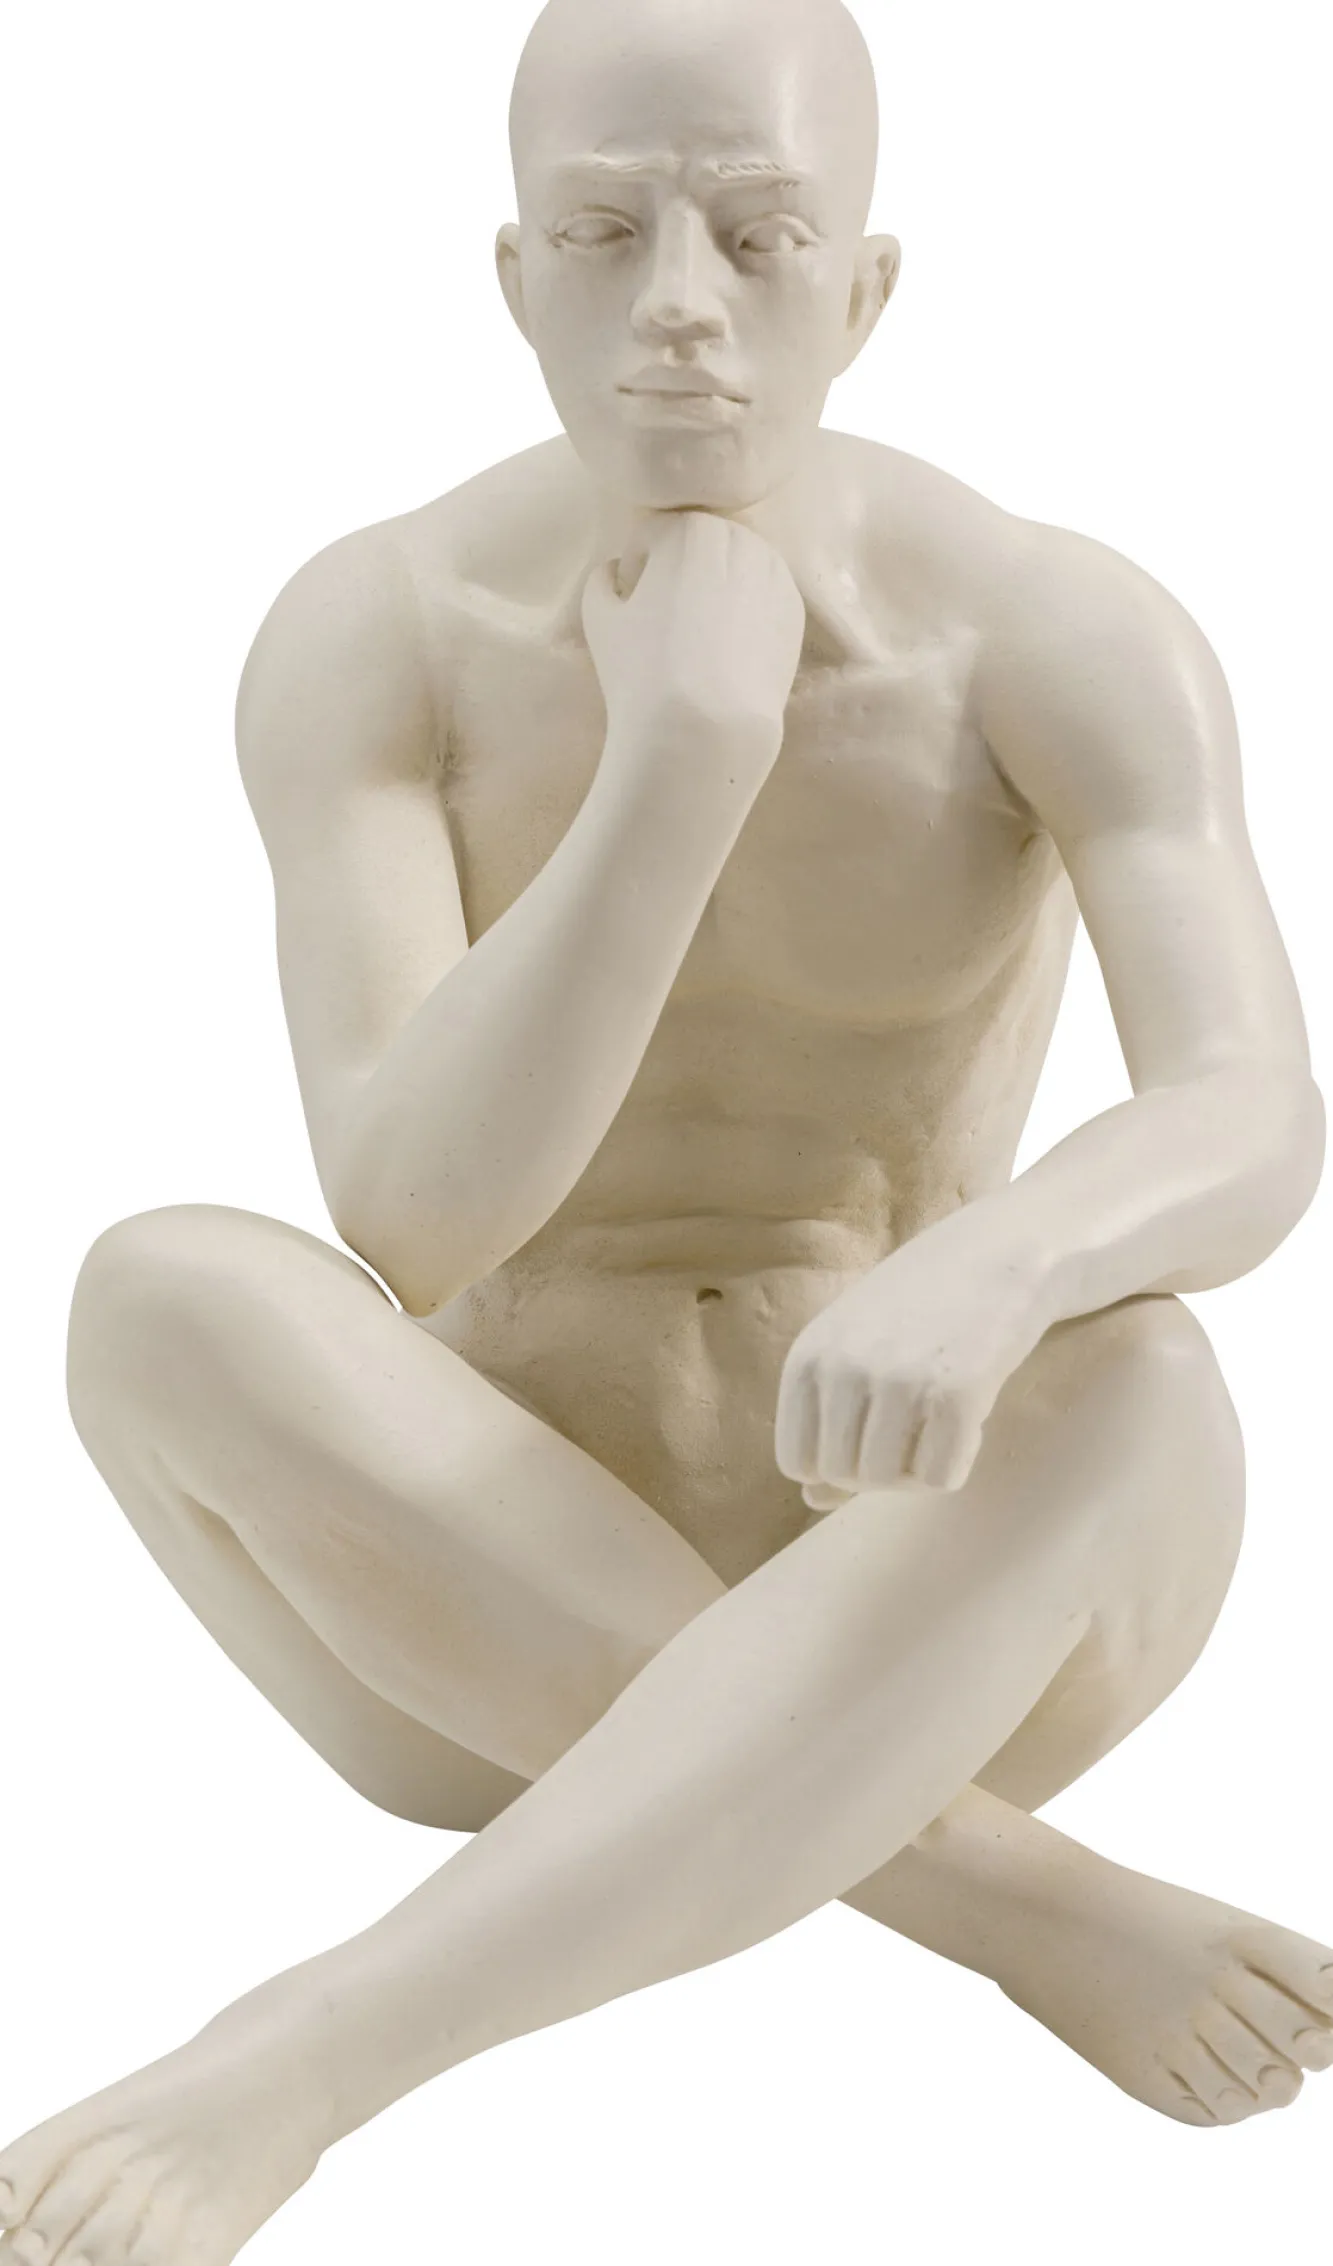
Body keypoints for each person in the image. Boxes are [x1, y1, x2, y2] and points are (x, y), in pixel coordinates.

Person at [2, 0, 1328, 2259]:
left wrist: (999, 1261)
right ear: (515, 277)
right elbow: (417, 1216)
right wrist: (678, 765)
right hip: (464, 1629)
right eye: (606, 234)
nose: (682, 305)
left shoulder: (1051, 625)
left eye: (759, 234)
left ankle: (304, 2052)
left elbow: (1252, 1105)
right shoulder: (379, 630)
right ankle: (1020, 1904)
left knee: (1145, 1369)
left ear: (867, 287)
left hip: (945, 1592)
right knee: (157, 1289)